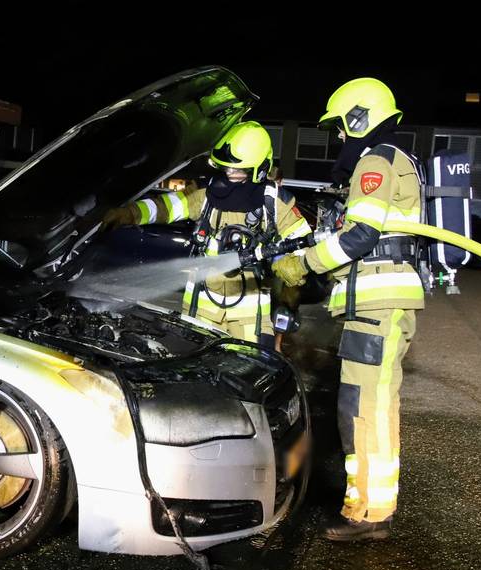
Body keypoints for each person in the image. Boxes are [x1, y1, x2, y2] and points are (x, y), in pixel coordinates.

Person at [274, 78, 424, 541]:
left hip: (379, 302)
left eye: (341, 127)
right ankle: (370, 506)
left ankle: (369, 513)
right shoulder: (398, 158)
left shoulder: (375, 159)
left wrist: (303, 262)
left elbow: (360, 237)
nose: (339, 137)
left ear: (359, 118)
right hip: (380, 302)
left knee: (365, 410)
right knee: (369, 405)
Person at [103, 121, 311, 347]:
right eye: (226, 167)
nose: (229, 173)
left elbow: (302, 238)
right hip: (202, 307)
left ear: (259, 170)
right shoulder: (206, 195)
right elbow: (166, 207)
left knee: (246, 369)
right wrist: (130, 214)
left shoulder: (274, 202)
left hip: (249, 314)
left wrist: (292, 263)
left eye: (237, 169)